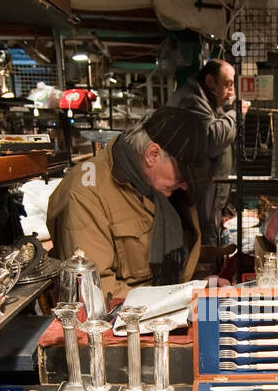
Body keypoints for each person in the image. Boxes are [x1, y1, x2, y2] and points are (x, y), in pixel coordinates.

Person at [46, 107, 208, 298]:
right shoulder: (84, 194)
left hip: (165, 307)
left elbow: (180, 260)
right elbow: (94, 292)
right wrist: (177, 298)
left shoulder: (155, 187)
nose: (184, 186)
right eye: (182, 175)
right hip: (122, 319)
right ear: (152, 155)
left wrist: (204, 285)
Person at [170, 59, 241, 249]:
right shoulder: (191, 101)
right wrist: (236, 114)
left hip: (204, 194)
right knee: (202, 244)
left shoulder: (207, 101)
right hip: (196, 195)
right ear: (210, 82)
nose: (232, 92)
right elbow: (212, 139)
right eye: (228, 84)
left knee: (206, 237)